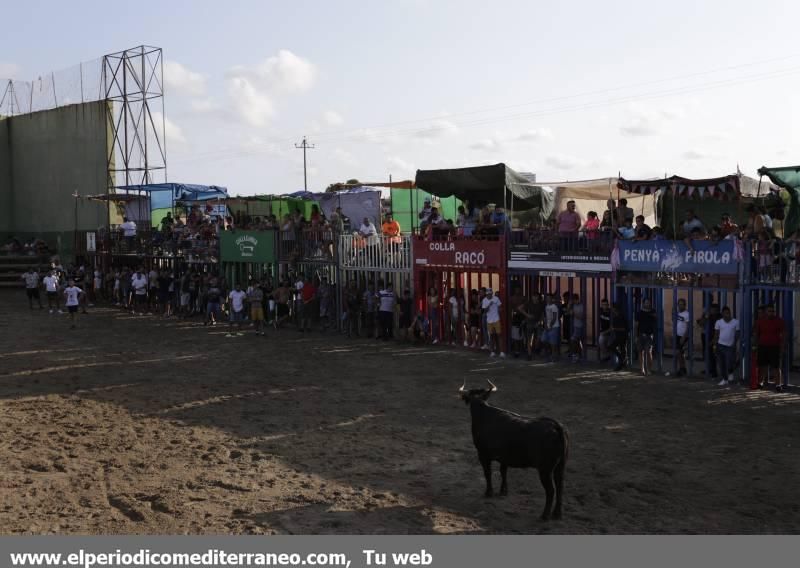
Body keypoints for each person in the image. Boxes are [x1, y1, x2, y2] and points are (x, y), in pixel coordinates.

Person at [754, 304, 786, 392]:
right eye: (769, 311)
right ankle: (760, 383)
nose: (771, 313)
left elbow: (783, 334)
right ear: (766, 312)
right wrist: (755, 346)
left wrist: (782, 347)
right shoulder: (760, 321)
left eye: (772, 311)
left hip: (774, 347)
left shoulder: (779, 321)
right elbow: (756, 334)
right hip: (762, 346)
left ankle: (778, 385)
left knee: (776, 367)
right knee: (762, 366)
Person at [712, 306, 740, 386]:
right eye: (725, 313)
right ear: (722, 314)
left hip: (730, 346)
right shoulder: (719, 322)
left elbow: (737, 334)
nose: (727, 315)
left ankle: (730, 372)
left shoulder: (735, 322)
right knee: (722, 363)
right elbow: (716, 334)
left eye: (728, 313)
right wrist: (714, 345)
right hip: (720, 345)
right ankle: (725, 379)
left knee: (729, 362)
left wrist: (734, 343)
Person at [697, 303, 721, 380]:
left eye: (714, 310)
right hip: (706, 336)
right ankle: (709, 369)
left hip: (716, 337)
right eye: (712, 310)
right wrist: (705, 316)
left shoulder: (719, 317)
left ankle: (714, 372)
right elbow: (701, 324)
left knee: (713, 354)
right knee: (706, 353)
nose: (713, 311)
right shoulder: (708, 316)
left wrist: (714, 339)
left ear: (717, 310)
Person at [636, 298, 657, 376]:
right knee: (640, 352)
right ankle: (642, 369)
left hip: (649, 335)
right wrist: (636, 335)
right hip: (641, 335)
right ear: (643, 303)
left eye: (648, 303)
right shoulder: (640, 313)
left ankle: (649, 369)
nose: (647, 304)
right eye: (646, 303)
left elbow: (656, 319)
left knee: (649, 352)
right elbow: (636, 324)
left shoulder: (653, 311)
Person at [481, 288, 505, 358]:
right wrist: (489, 305)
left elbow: (500, 307)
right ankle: (492, 352)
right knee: (491, 336)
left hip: (496, 319)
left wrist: (500, 309)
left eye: (490, 294)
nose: (489, 295)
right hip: (489, 321)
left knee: (499, 335)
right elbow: (485, 311)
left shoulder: (496, 298)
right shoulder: (484, 300)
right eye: (488, 294)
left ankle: (501, 352)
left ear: (492, 293)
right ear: (486, 294)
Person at [674, 298, 690, 377]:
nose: (680, 306)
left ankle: (682, 369)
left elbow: (688, 327)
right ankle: (683, 369)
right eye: (679, 304)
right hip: (677, 335)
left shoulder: (687, 314)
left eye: (681, 304)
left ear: (685, 305)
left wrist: (684, 337)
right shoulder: (677, 313)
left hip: (683, 336)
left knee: (679, 352)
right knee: (680, 353)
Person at [543, 294, 561, 361]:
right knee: (544, 340)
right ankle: (550, 355)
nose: (547, 299)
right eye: (547, 298)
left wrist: (550, 326)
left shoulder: (554, 307)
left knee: (553, 343)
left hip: (554, 326)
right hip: (548, 326)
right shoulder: (546, 306)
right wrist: (546, 326)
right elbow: (546, 317)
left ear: (551, 299)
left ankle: (554, 356)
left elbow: (554, 317)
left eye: (549, 298)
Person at [568, 294, 585, 362]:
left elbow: (581, 317)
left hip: (581, 326)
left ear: (577, 299)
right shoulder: (574, 305)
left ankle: (576, 355)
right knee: (577, 341)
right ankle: (579, 355)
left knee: (574, 340)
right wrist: (569, 305)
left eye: (574, 300)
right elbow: (568, 312)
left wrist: (574, 313)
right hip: (576, 326)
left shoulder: (582, 305)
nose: (574, 302)